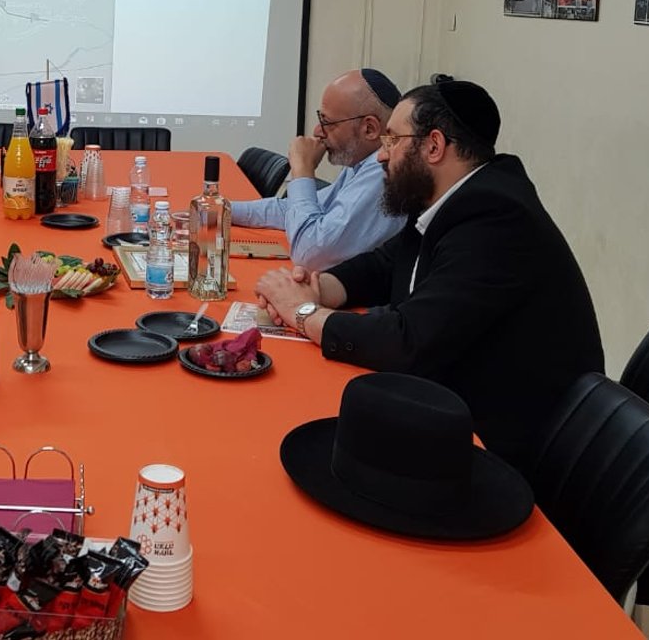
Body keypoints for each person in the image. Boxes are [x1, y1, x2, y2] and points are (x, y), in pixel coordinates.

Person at [254, 80, 603, 477]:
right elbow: (384, 265)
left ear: (434, 146)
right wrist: (318, 289)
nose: (381, 155)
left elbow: (409, 342)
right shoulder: (451, 200)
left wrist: (301, 312)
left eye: (392, 141)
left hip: (504, 451)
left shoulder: (495, 219)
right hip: (450, 407)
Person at [232, 69, 406, 270]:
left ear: (369, 129)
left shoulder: (384, 171)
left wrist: (302, 171)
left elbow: (309, 254)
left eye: (327, 122)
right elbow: (293, 209)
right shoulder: (360, 163)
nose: (317, 131)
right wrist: (221, 210)